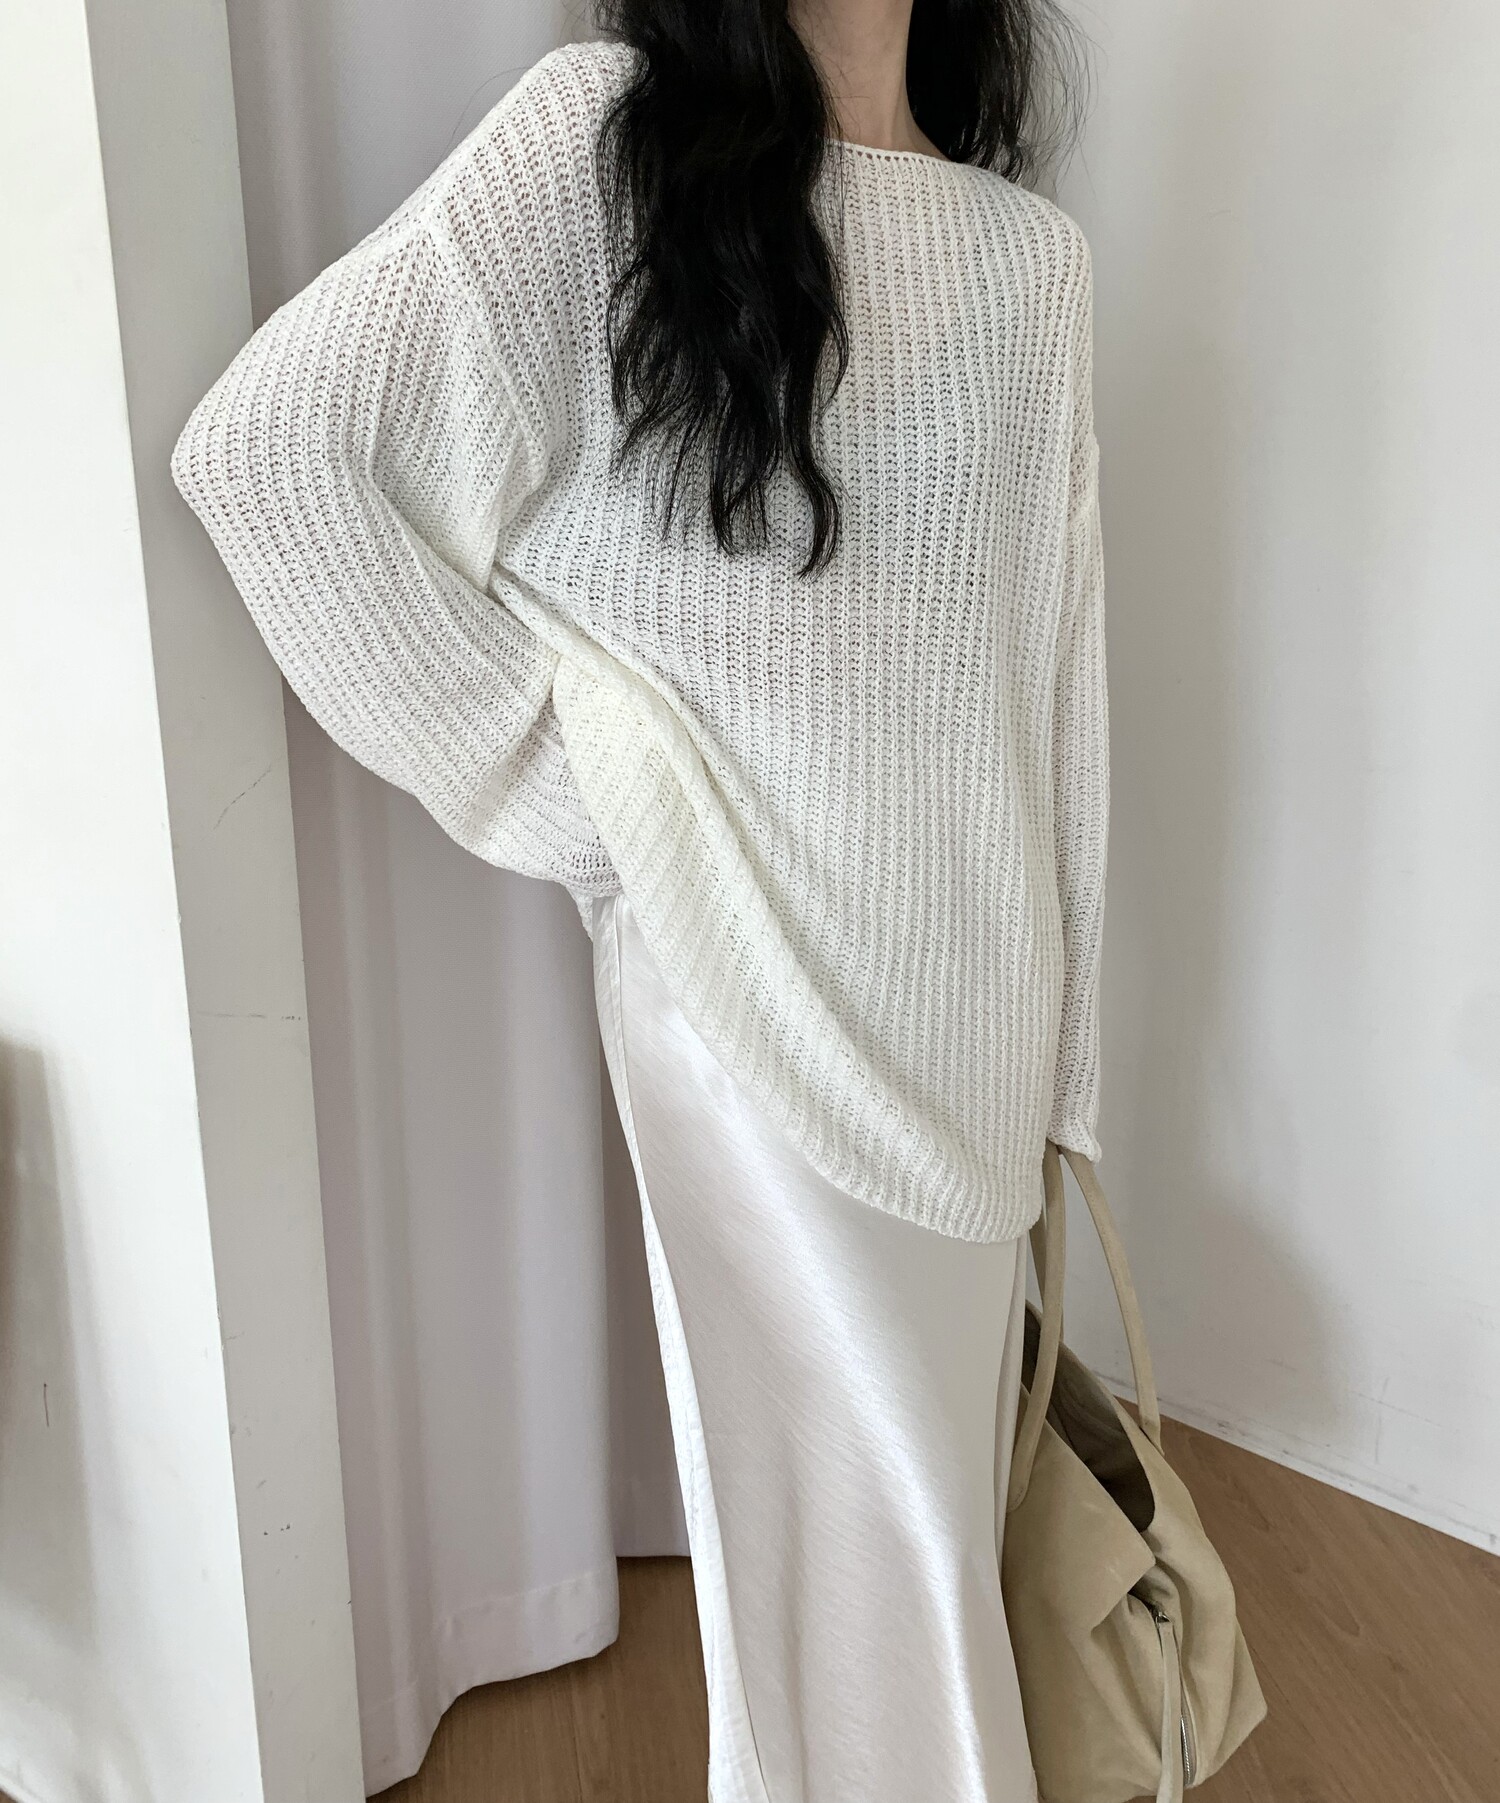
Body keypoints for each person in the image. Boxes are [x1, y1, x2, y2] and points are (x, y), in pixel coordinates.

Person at [172, 0, 1104, 1794]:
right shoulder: (599, 144)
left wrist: (1065, 1071)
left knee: (926, 1524)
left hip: (977, 1017)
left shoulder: (1029, 261)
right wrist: (572, 794)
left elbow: (1058, 692)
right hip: (736, 989)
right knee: (855, 1531)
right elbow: (270, 456)